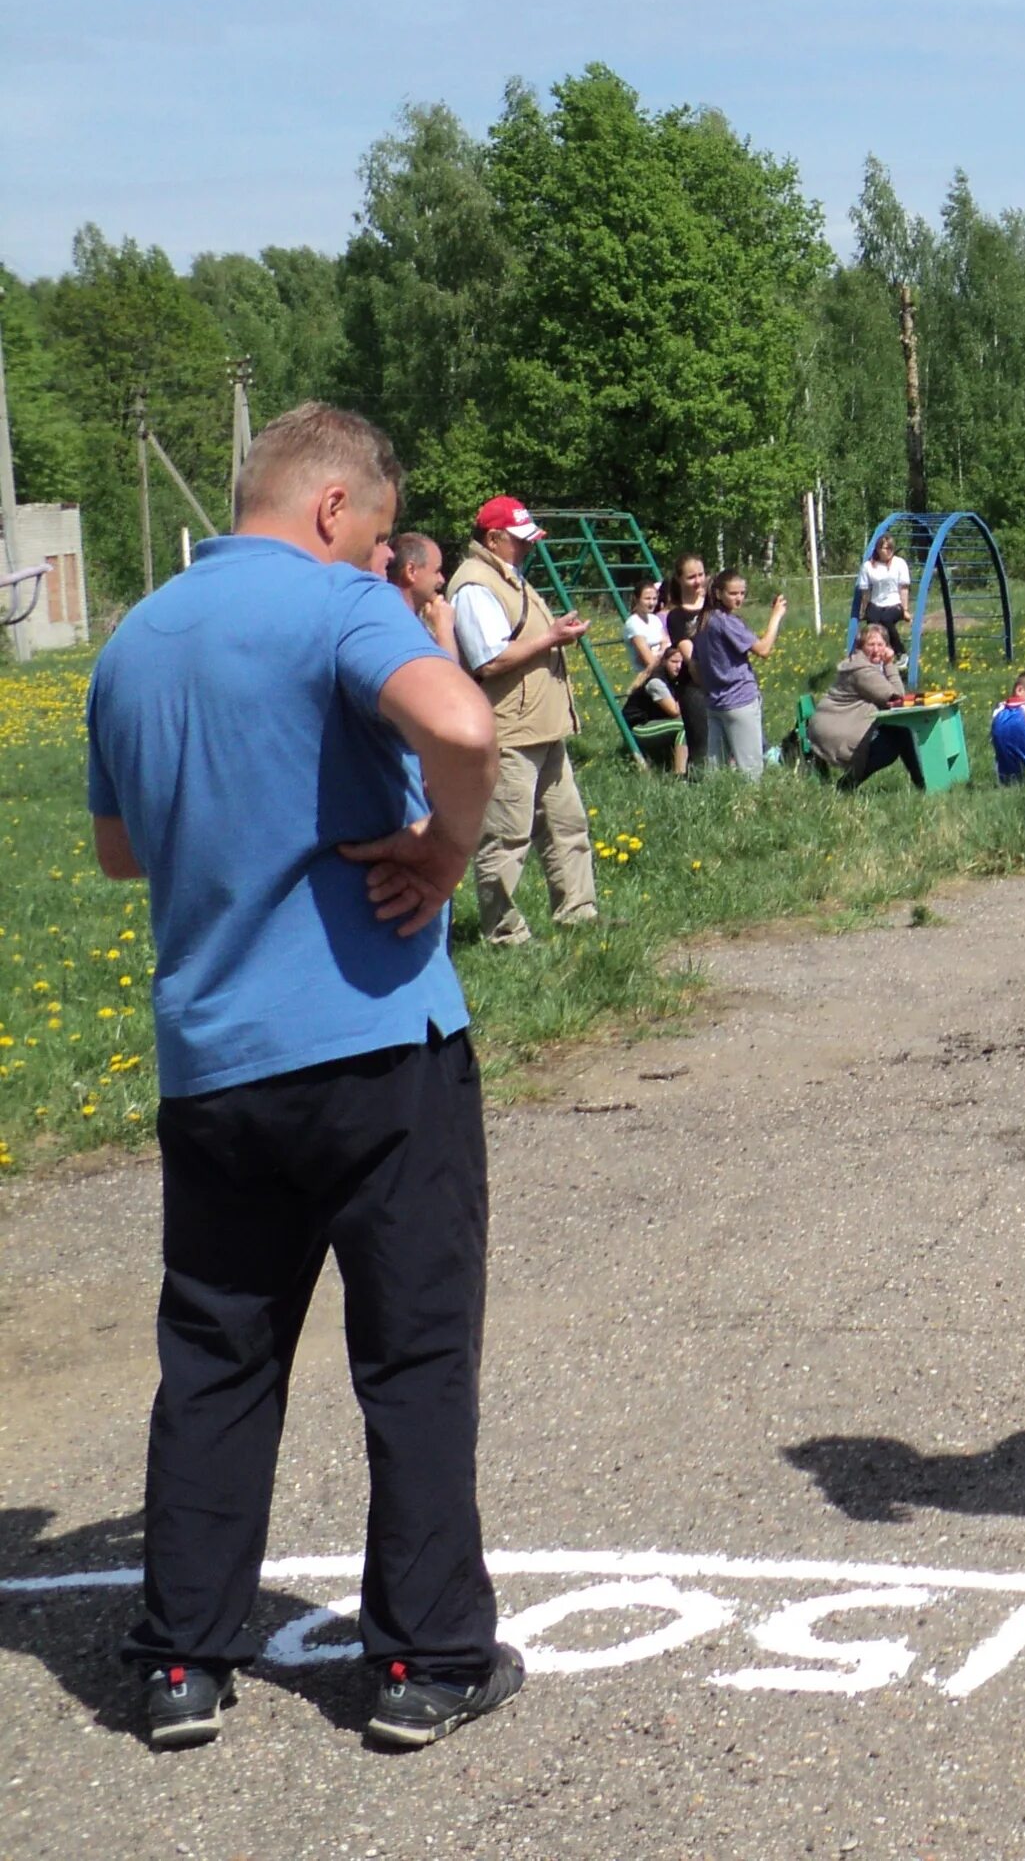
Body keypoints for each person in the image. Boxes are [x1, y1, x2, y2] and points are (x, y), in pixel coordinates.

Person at [86, 402, 524, 1753]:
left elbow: (118, 852)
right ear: (335, 508)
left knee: (217, 1356)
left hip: (214, 1061)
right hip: (376, 1044)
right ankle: (423, 1658)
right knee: (412, 1353)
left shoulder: (133, 639)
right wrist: (448, 850)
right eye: (381, 537)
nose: (383, 562)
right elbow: (460, 717)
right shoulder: (335, 607)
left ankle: (179, 1663)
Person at [447, 496, 598, 947]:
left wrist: (555, 632)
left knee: (566, 824)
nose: (528, 549)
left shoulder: (506, 577)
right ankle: (505, 932)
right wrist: (553, 636)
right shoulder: (474, 585)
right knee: (508, 836)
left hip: (543, 726)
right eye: (519, 541)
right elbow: (489, 659)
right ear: (493, 539)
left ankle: (578, 912)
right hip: (511, 730)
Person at [693, 569, 788, 775]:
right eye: (733, 593)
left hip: (714, 703)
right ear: (718, 594)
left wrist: (710, 686)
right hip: (740, 701)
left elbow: (695, 666)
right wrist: (776, 617)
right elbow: (763, 649)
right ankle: (752, 806)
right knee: (751, 771)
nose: (739, 599)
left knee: (716, 772)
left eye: (742, 593)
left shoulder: (702, 621)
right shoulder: (727, 622)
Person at [808, 623, 920, 790]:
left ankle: (921, 782)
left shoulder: (862, 665)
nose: (876, 650)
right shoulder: (863, 671)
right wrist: (889, 663)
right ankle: (847, 784)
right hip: (835, 732)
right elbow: (898, 699)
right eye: (871, 644)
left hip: (836, 725)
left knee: (899, 732)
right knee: (894, 742)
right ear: (861, 647)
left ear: (887, 646)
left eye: (880, 645)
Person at [621, 578, 688, 775]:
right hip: (648, 673)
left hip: (659, 669)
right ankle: (679, 775)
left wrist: (665, 653)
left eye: (654, 598)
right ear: (636, 599)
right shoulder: (633, 624)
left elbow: (668, 645)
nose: (651, 602)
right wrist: (663, 653)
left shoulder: (656, 620)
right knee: (682, 721)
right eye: (646, 598)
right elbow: (648, 659)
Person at [661, 555, 715, 781]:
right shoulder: (676, 616)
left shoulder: (714, 606)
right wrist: (709, 685)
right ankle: (697, 788)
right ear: (680, 580)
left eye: (701, 575)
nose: (698, 581)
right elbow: (689, 657)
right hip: (694, 686)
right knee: (701, 745)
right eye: (691, 577)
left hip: (723, 682)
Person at [389, 531, 455, 654]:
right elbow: (445, 673)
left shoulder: (410, 620)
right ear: (411, 571)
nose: (442, 580)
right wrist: (444, 629)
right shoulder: (397, 627)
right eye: (437, 571)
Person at [857, 529, 912, 653]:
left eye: (890, 548)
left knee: (886, 619)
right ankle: (876, 653)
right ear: (878, 549)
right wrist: (863, 609)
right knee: (873, 622)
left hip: (894, 603)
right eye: (885, 548)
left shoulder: (899, 563)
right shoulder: (868, 566)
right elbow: (865, 591)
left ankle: (900, 652)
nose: (888, 551)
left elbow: (904, 588)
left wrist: (905, 610)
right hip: (876, 602)